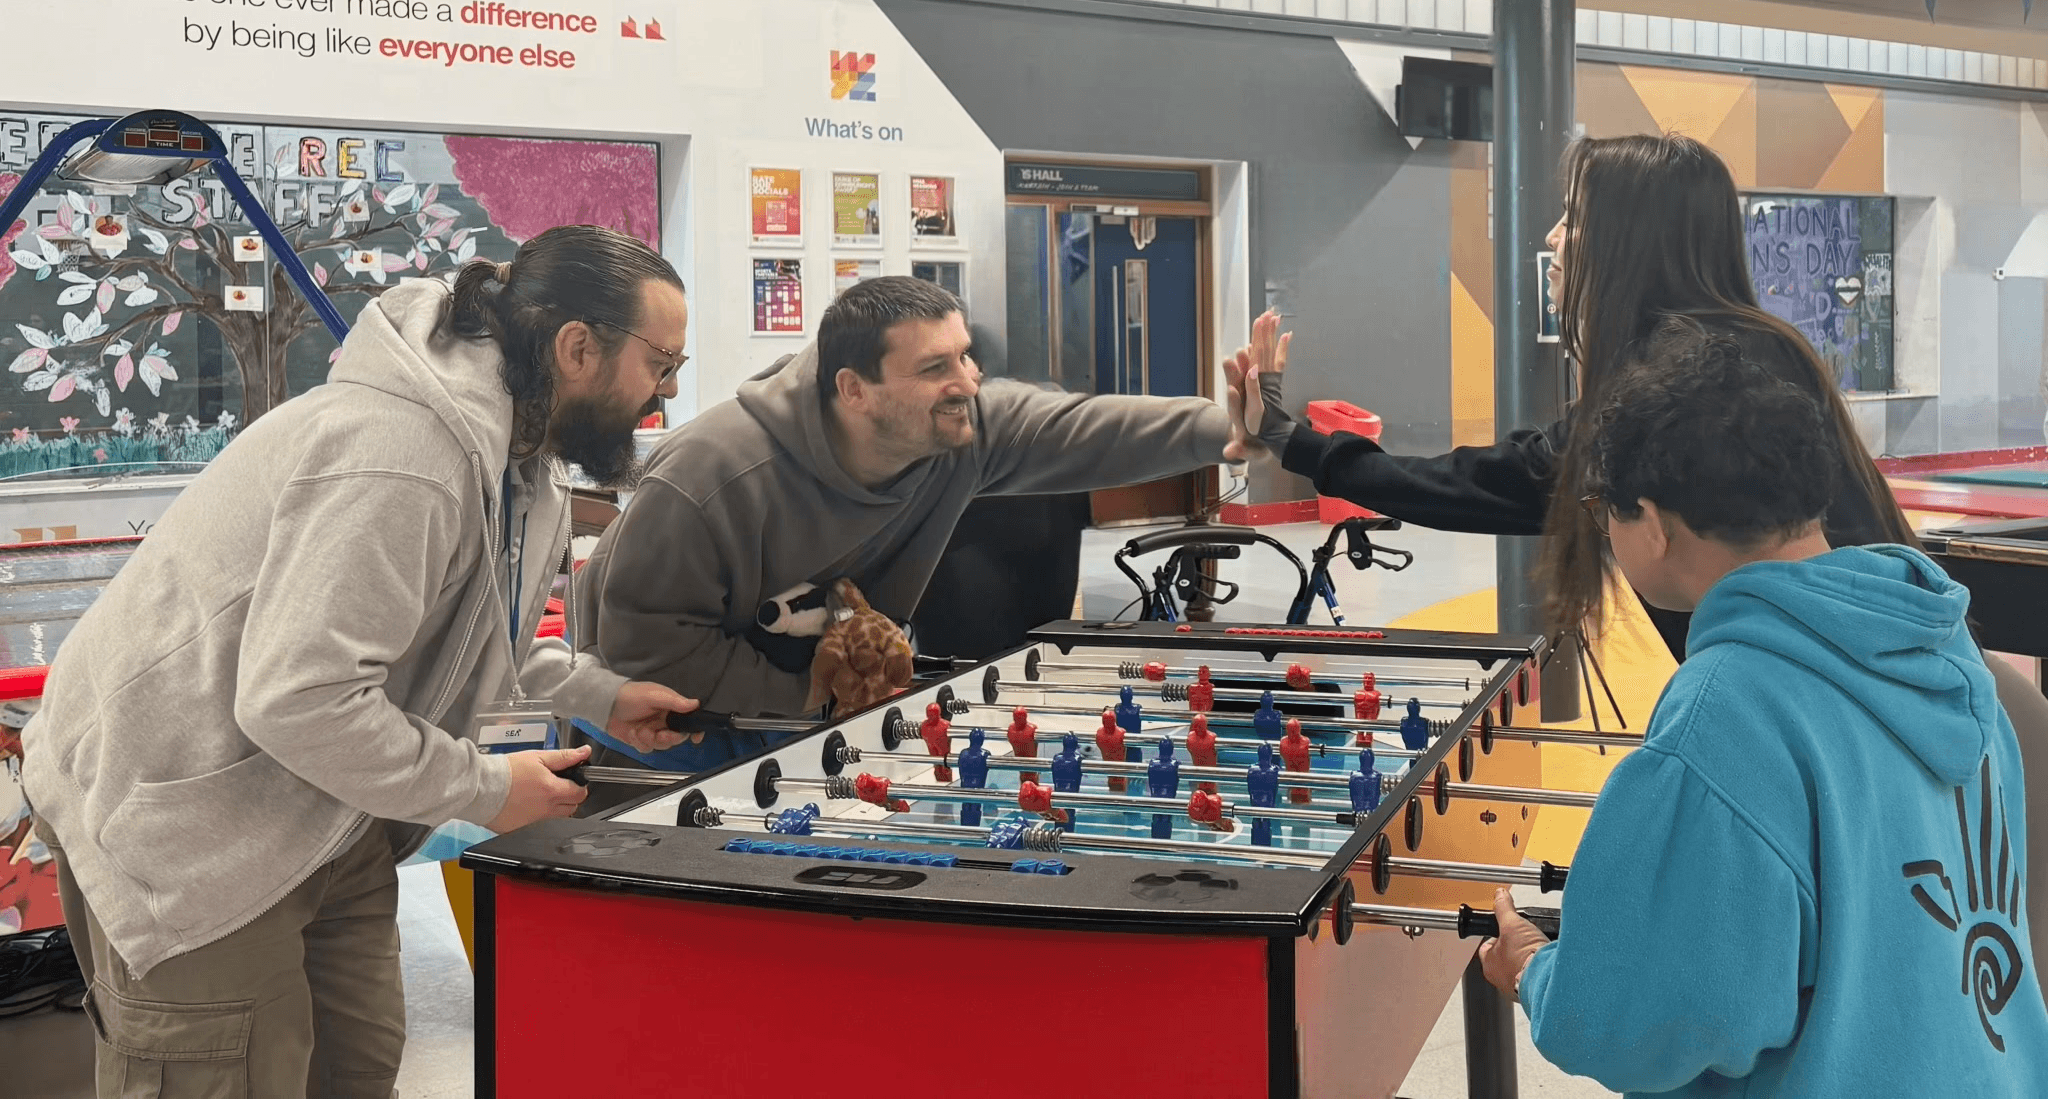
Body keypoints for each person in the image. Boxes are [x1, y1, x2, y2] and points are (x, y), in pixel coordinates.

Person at [21, 225, 699, 1097]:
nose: (667, 399)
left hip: (329, 807)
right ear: (576, 347)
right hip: (187, 814)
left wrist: (599, 696)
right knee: (229, 1070)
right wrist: (487, 790)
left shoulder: (526, 465)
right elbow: (301, 699)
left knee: (356, 1062)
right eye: (661, 365)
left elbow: (480, 637)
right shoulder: (405, 452)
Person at [1476, 324, 2048, 1096]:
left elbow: (1635, 1022)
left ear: (1649, 522)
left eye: (1600, 509)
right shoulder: (1949, 657)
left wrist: (1535, 971)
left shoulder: (1725, 713)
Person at [1230, 133, 1910, 660]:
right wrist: (1293, 439)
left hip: (1829, 691)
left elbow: (1471, 484)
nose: (1553, 238)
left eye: (1573, 218)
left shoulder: (1678, 387)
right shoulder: (1758, 346)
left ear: (1629, 245)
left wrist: (1294, 440)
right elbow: (1489, 477)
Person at [576, 274, 1249, 771]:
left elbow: (1082, 431)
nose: (965, 383)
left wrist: (1228, 429)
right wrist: (809, 689)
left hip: (798, 717)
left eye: (964, 357)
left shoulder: (960, 430)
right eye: (935, 367)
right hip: (654, 737)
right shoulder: (712, 477)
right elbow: (647, 650)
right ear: (854, 390)